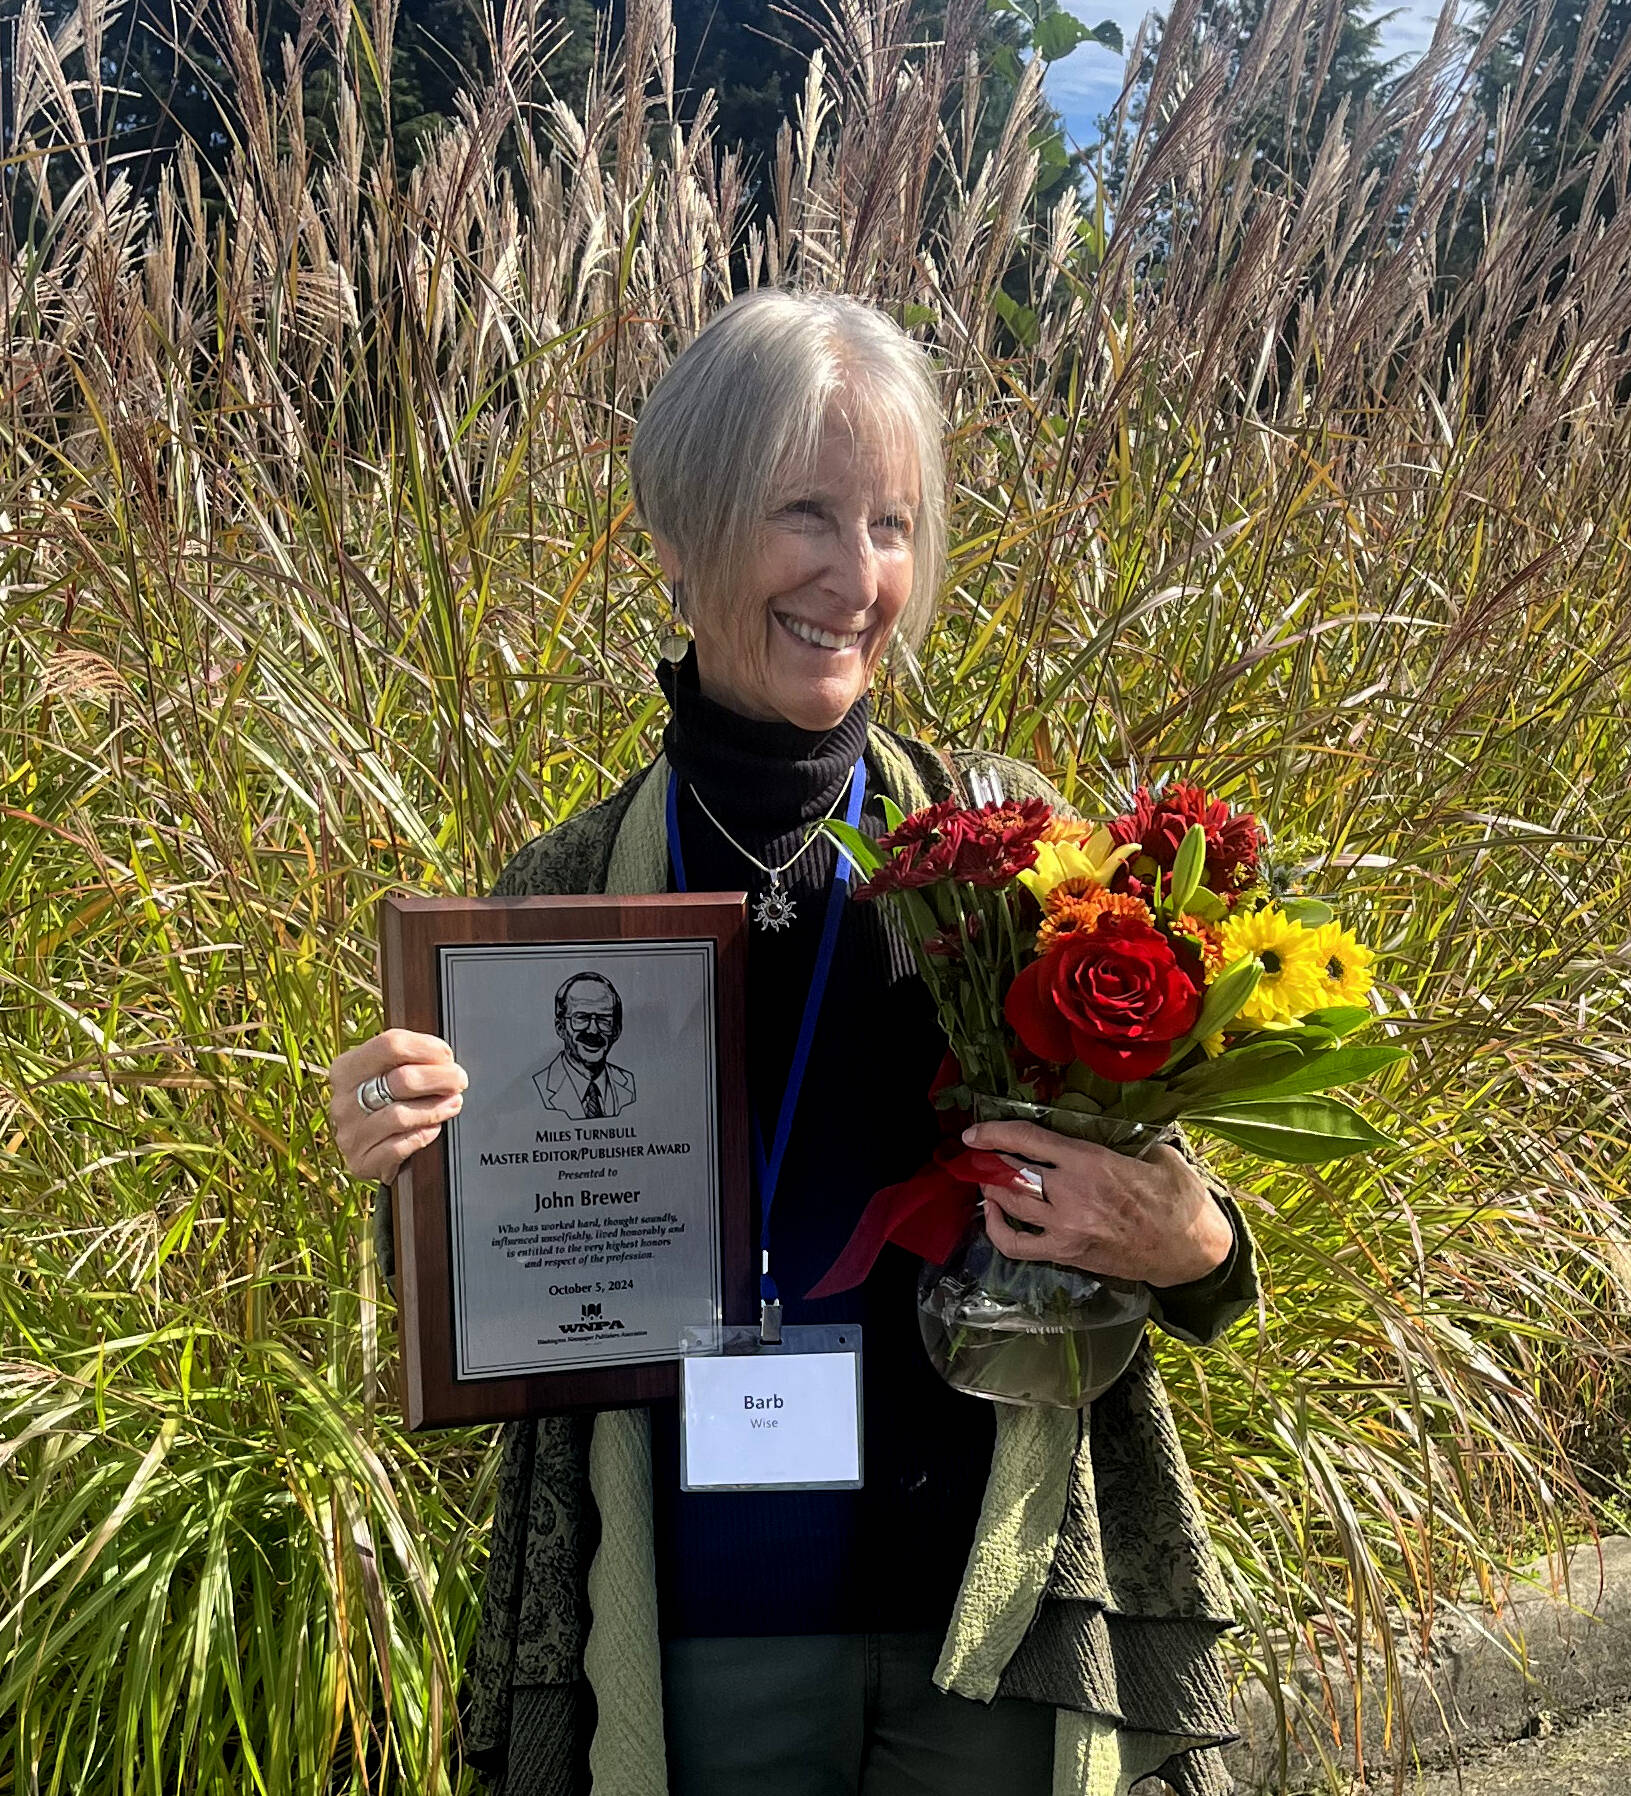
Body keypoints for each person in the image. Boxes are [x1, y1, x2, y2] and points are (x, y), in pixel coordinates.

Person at [327, 289, 1258, 1796]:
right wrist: (402, 1166)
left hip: (989, 1615)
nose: (856, 575)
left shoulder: (1015, 853)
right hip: (696, 1641)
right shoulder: (555, 902)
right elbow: (475, 1300)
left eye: (891, 524)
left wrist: (1188, 1231)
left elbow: (1199, 1248)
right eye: (804, 515)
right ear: (683, 531)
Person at [535, 973, 636, 1119]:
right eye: (581, 1018)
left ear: (617, 1031)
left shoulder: (631, 1084)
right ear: (560, 1028)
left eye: (603, 1019)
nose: (593, 1030)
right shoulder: (539, 1086)